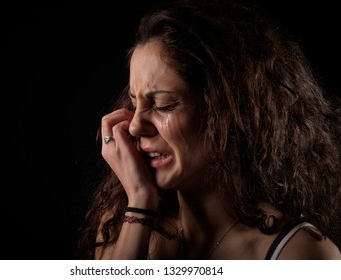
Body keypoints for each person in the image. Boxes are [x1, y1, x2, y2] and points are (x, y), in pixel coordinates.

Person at [77, 0, 341, 260]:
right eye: (134, 104)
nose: (135, 126)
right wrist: (141, 202)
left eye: (164, 106)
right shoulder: (122, 222)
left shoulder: (300, 255)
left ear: (229, 112)